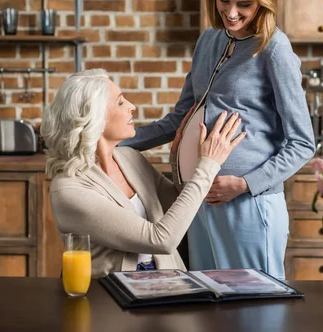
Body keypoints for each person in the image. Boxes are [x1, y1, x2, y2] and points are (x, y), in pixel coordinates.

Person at [120, 0, 315, 279]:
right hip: (198, 202)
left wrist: (243, 184)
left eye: (245, 4)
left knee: (256, 313)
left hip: (248, 206)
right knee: (208, 309)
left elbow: (303, 144)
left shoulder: (274, 50)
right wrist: (114, 142)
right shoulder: (208, 41)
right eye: (224, 1)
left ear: (264, 0)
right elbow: (176, 120)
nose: (232, 13)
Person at [41, 69, 245, 278]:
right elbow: (161, 239)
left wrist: (178, 157)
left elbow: (178, 207)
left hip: (166, 282)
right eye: (121, 102)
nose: (132, 107)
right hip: (109, 296)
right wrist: (208, 164)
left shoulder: (129, 158)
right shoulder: (68, 189)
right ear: (96, 118)